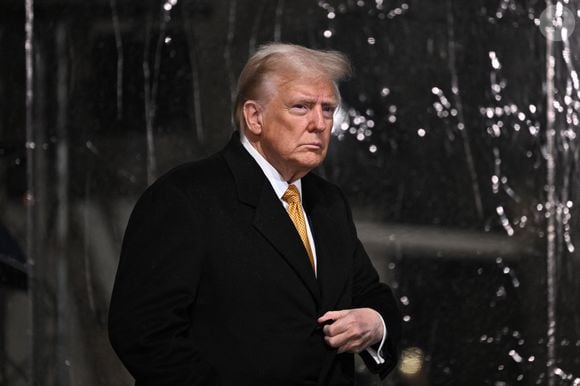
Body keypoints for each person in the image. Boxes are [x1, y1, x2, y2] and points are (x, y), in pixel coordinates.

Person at [108, 43, 401, 386]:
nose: (319, 124)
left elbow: (370, 293)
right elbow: (143, 331)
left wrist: (374, 322)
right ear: (254, 116)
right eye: (301, 107)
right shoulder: (185, 197)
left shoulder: (329, 203)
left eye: (328, 109)